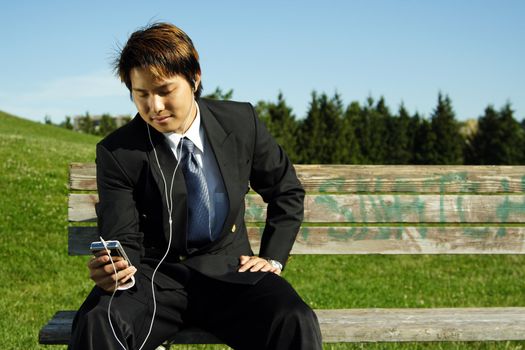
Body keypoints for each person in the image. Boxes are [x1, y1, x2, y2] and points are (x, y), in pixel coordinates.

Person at [68, 22, 322, 350]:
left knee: (293, 318)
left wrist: (272, 259)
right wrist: (118, 268)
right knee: (98, 322)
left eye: (164, 90)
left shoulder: (242, 122)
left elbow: (285, 190)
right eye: (140, 94)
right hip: (154, 279)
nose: (153, 107)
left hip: (232, 273)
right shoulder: (117, 151)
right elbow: (123, 235)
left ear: (194, 77)